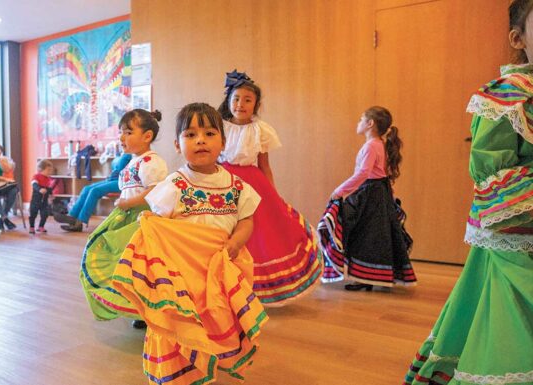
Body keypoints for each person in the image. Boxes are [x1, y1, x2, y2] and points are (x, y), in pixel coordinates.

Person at [404, 1, 533, 383]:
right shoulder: (506, 98)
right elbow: (491, 171)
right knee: (511, 328)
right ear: (519, 38)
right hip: (517, 240)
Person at [112, 103, 268, 385]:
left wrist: (236, 242)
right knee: (185, 320)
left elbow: (247, 220)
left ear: (223, 141)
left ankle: (211, 358)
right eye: (190, 135)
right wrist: (150, 224)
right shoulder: (173, 184)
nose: (200, 141)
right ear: (177, 144)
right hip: (183, 274)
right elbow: (160, 226)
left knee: (218, 316)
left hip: (220, 268)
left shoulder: (237, 186)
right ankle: (181, 372)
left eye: (209, 133)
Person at [217, 70, 320, 305]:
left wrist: (272, 195)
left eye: (247, 100)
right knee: (224, 231)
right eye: (236, 98)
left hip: (252, 185)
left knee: (257, 234)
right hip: (223, 183)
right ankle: (223, 285)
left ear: (256, 105)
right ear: (228, 100)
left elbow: (264, 165)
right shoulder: (219, 126)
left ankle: (251, 287)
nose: (240, 104)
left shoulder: (260, 130)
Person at [78, 109, 167, 328]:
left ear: (147, 136)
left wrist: (128, 203)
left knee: (138, 266)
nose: (122, 138)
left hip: (142, 219)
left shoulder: (151, 163)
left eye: (128, 132)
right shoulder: (133, 161)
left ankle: (146, 309)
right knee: (120, 260)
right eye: (121, 132)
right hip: (126, 216)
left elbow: (155, 192)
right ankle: (135, 306)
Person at [320, 106, 416, 291]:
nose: (358, 123)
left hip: (370, 194)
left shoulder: (372, 145)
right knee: (374, 235)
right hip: (379, 192)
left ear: (370, 123)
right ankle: (369, 276)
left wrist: (340, 191)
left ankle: (365, 276)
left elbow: (364, 173)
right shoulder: (380, 144)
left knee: (365, 234)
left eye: (361, 119)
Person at [60, 152, 133, 232]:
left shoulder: (131, 155)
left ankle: (80, 221)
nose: (122, 141)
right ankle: (71, 216)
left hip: (122, 182)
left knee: (94, 191)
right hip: (111, 179)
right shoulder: (120, 153)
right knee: (86, 189)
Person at [29, 159, 57, 234]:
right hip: (35, 201)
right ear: (41, 169)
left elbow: (49, 188)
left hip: (44, 202)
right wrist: (39, 189)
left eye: (50, 170)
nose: (50, 172)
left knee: (45, 214)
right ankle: (32, 227)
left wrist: (51, 195)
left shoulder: (48, 179)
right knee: (33, 214)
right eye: (48, 170)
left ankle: (41, 226)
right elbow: (34, 184)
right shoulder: (36, 176)